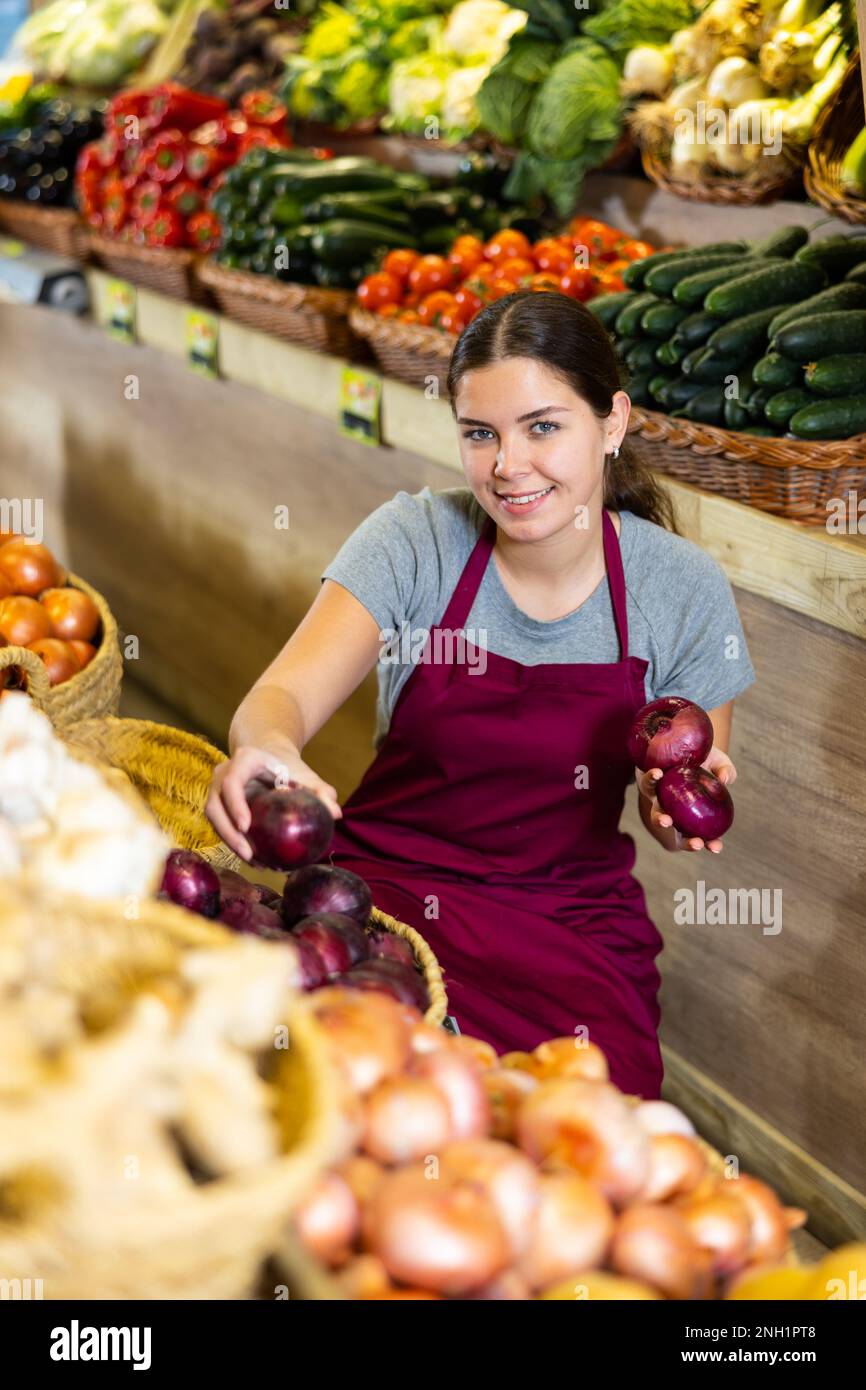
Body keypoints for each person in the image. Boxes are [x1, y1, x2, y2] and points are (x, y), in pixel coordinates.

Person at [206, 291, 755, 1098]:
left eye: (543, 427)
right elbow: (279, 697)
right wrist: (270, 749)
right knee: (340, 1089)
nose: (507, 465)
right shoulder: (416, 539)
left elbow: (680, 802)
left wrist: (668, 804)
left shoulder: (681, 589)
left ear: (611, 424)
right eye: (479, 433)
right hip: (388, 897)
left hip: (568, 930)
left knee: (590, 1123)